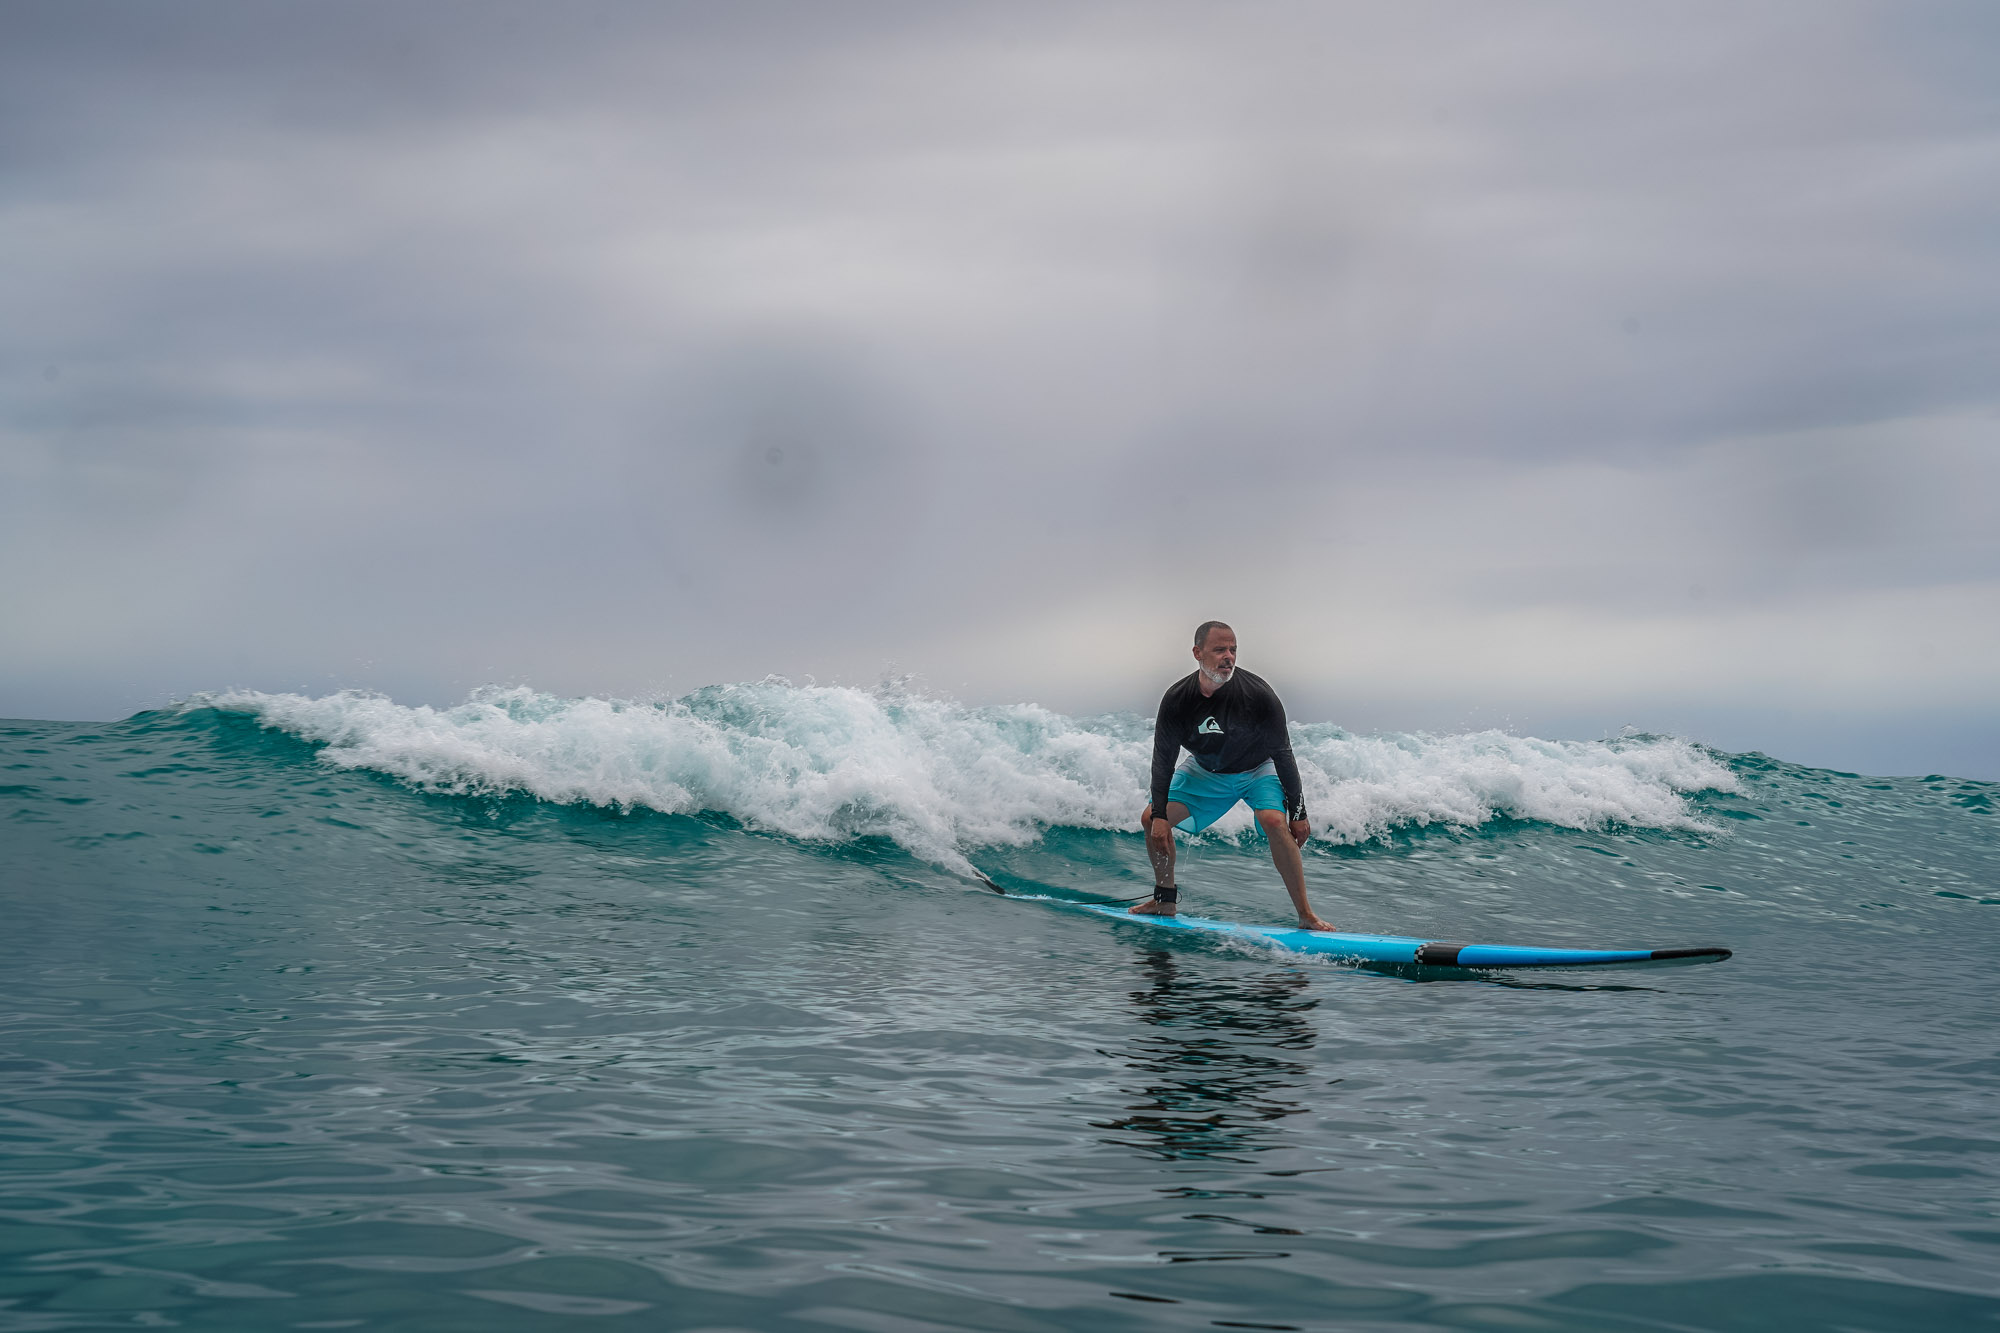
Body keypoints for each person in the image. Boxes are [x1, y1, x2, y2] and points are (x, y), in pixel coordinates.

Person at [1134, 621, 1336, 931]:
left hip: (1257, 769)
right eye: (1220, 650)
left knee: (1273, 820)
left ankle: (1306, 915)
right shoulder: (1178, 699)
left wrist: (1298, 812)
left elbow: (1283, 753)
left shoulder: (1257, 694)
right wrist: (1161, 813)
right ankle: (1165, 900)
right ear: (1197, 653)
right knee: (1151, 818)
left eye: (1233, 650)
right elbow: (1163, 759)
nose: (1229, 657)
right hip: (1206, 771)